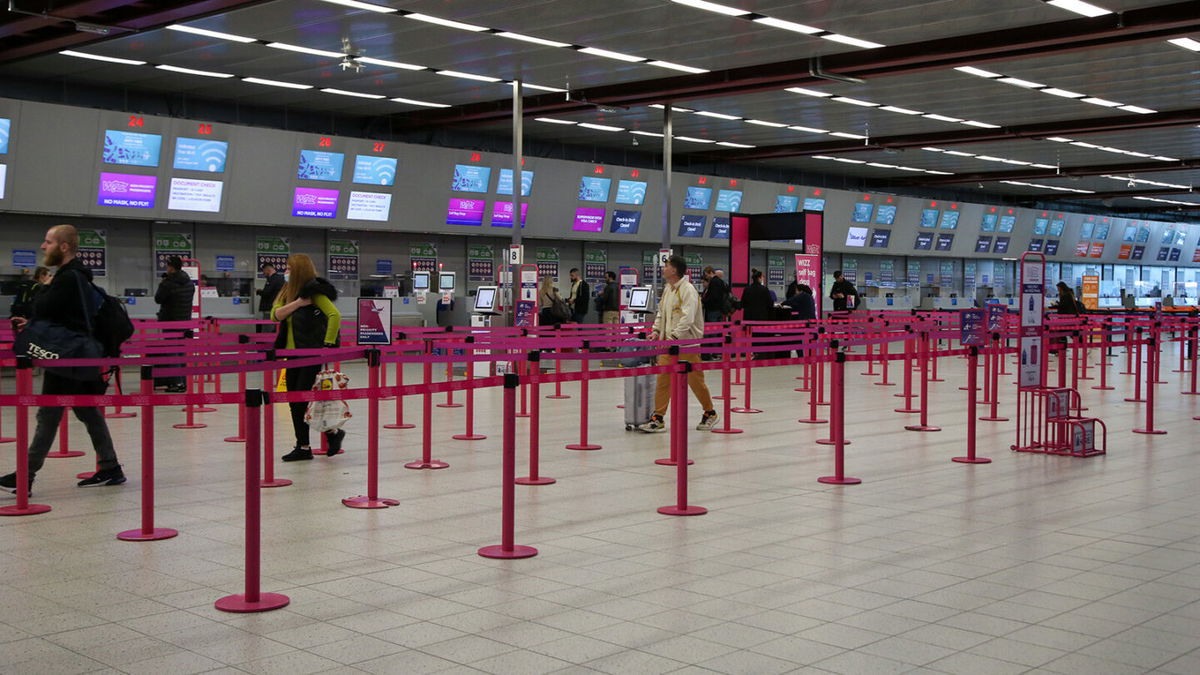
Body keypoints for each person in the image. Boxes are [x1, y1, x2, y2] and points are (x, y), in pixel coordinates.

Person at [1, 225, 124, 494]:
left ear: (63, 247)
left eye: (48, 242)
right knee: (86, 409)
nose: (43, 247)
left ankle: (25, 475)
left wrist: (44, 288)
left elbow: (44, 307)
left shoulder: (68, 277)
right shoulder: (78, 275)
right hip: (78, 353)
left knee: (48, 413)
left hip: (66, 355)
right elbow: (59, 314)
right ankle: (110, 466)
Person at [272, 253, 345, 462]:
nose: (285, 272)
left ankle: (305, 446)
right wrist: (298, 304)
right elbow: (275, 315)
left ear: (298, 271)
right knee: (293, 401)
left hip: (310, 354)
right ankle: (324, 437)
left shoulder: (315, 292)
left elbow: (334, 315)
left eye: (288, 268)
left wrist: (328, 344)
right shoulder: (289, 292)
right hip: (291, 354)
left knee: (300, 401)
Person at [638, 255, 718, 433]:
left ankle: (710, 412)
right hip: (669, 345)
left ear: (674, 270)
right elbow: (661, 313)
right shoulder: (668, 289)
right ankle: (658, 418)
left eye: (666, 266)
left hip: (686, 345)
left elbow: (687, 318)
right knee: (663, 380)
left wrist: (674, 338)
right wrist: (656, 331)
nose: (663, 268)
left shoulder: (687, 290)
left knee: (695, 381)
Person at [154, 255, 194, 393]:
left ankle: (176, 383)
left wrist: (163, 283)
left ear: (171, 267)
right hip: (185, 321)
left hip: (170, 321)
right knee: (181, 352)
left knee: (172, 352)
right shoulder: (189, 283)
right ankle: (183, 381)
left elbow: (158, 299)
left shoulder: (167, 284)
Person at [256, 262, 285, 333]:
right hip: (277, 308)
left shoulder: (272, 279)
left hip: (269, 308)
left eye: (264, 271)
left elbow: (266, 293)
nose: (263, 273)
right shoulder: (281, 279)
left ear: (267, 270)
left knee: (267, 330)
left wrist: (259, 291)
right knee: (275, 330)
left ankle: (266, 344)